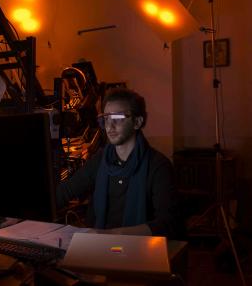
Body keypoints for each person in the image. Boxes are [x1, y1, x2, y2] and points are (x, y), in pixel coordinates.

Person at [56, 87, 181, 239]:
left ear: (137, 122)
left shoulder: (158, 166)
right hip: (99, 246)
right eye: (106, 118)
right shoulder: (100, 159)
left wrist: (113, 235)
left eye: (118, 118)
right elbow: (66, 191)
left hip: (139, 251)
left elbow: (169, 223)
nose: (110, 126)